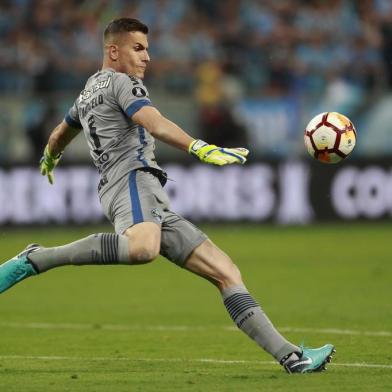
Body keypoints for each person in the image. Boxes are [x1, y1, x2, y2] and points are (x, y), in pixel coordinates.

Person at [0, 18, 335, 374]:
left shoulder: (87, 91)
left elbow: (59, 134)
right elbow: (154, 122)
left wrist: (51, 156)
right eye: (138, 48)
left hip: (145, 193)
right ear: (114, 51)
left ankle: (291, 357)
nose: (147, 57)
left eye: (147, 49)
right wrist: (200, 147)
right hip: (131, 181)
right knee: (143, 248)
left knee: (225, 270)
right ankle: (40, 257)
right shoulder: (122, 83)